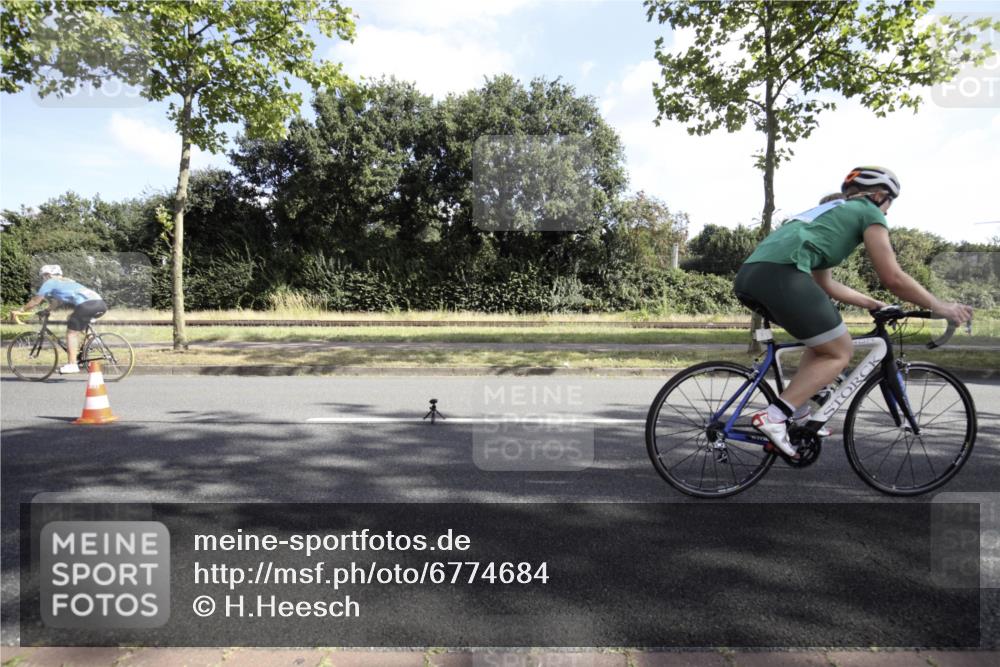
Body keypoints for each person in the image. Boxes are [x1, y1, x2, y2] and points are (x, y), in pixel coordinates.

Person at [733, 166, 973, 457]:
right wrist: (941, 306)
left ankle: (797, 413)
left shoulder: (828, 215)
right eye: (889, 206)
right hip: (784, 275)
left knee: (822, 343)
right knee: (840, 351)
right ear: (880, 196)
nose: (886, 214)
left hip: (751, 276)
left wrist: (874, 304)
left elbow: (826, 284)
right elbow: (893, 277)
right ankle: (774, 416)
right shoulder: (868, 211)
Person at [12, 265, 108, 374]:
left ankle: (72, 365)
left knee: (71, 333)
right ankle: (92, 342)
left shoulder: (50, 282)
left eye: (43, 276)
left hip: (87, 305)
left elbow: (36, 300)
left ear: (47, 275)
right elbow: (57, 301)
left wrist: (21, 310)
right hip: (101, 304)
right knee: (71, 318)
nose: (43, 279)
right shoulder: (67, 281)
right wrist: (47, 310)